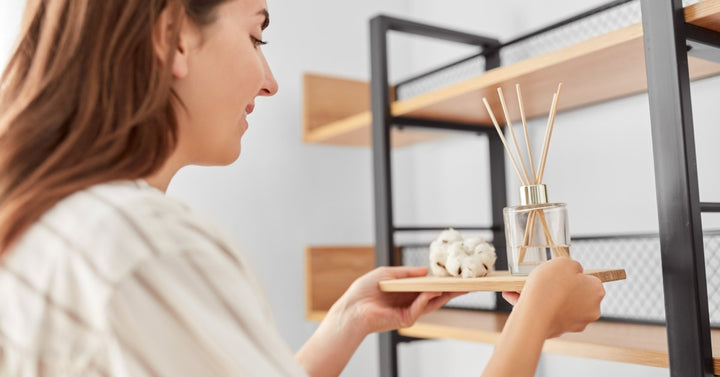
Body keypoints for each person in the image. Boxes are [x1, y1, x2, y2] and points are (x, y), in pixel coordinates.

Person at [0, 0, 605, 376]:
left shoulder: (57, 225)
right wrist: (536, 314)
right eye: (257, 35)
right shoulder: (137, 246)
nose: (270, 83)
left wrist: (346, 322)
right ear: (174, 35)